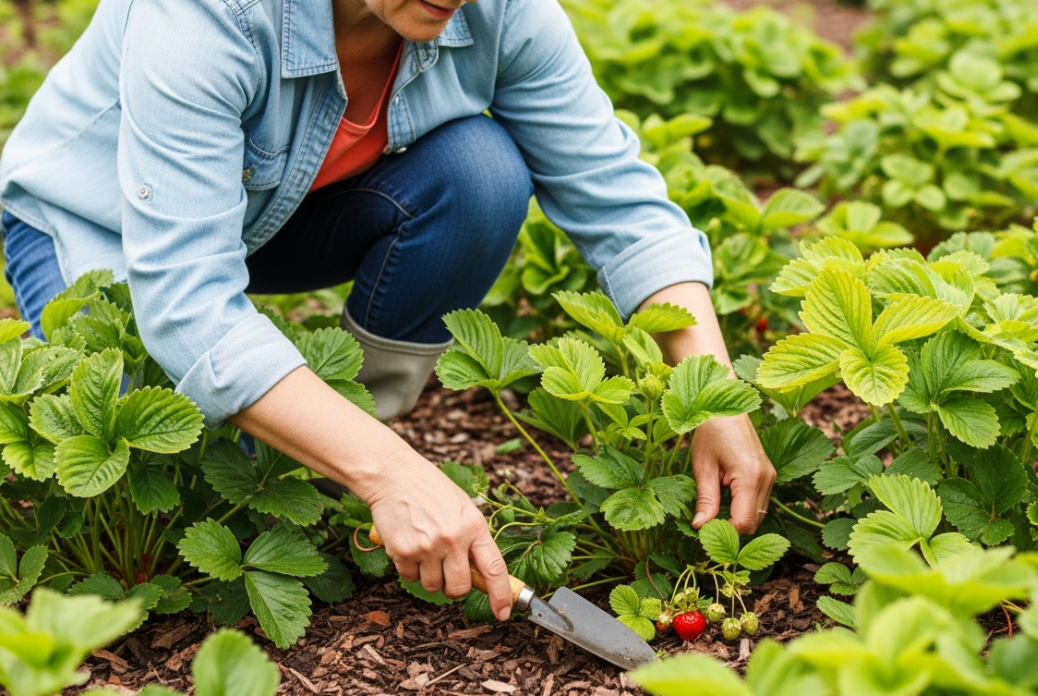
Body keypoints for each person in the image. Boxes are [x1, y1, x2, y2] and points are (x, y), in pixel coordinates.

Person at [0, 0, 777, 621]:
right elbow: (188, 310)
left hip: (288, 210)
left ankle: (351, 454)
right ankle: (368, 468)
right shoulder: (206, 14)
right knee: (192, 478)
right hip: (103, 226)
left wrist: (709, 397)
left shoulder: (500, 10)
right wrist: (394, 472)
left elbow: (624, 207)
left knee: (479, 176)